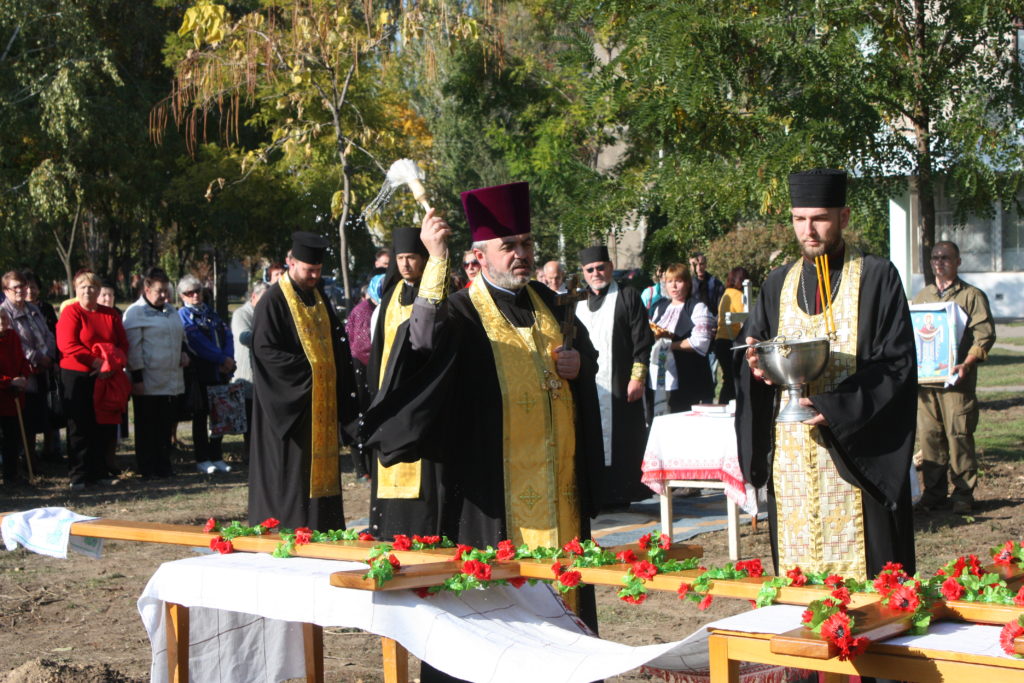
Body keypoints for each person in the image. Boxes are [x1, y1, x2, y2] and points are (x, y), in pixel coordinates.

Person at [362, 182, 605, 639]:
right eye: (508, 246)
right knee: (505, 628)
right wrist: (436, 260)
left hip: (561, 497)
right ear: (481, 254)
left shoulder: (551, 304)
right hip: (493, 500)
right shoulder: (460, 312)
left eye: (527, 244)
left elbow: (583, 356)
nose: (521, 254)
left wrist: (579, 364)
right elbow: (422, 343)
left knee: (566, 617)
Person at [735, 168, 917, 581]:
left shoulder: (877, 277)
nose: (809, 231)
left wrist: (836, 407)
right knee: (800, 575)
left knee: (874, 582)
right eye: (800, 219)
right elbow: (756, 349)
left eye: (819, 218)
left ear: (844, 217)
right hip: (794, 455)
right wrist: (757, 369)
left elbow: (897, 364)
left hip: (855, 449)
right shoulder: (778, 283)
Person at [248, 232, 359, 530]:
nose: (313, 276)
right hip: (290, 410)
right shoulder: (273, 301)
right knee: (291, 475)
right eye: (308, 270)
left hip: (318, 407)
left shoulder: (318, 296)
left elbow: (336, 346)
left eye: (318, 271)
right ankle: (288, 528)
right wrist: (315, 370)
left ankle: (324, 526)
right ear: (290, 262)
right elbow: (265, 352)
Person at [913, 240, 996, 514]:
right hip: (926, 383)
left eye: (946, 257)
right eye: (936, 257)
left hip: (956, 382)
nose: (940, 262)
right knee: (929, 438)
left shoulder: (971, 295)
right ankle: (934, 494)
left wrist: (967, 364)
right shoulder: (923, 296)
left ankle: (963, 494)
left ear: (958, 261)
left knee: (958, 435)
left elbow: (984, 335)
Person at [365, 227, 436, 538]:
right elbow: (377, 349)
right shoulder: (391, 295)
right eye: (401, 258)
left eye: (412, 258)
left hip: (420, 401)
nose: (406, 265)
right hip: (389, 399)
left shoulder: (434, 293)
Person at [576, 245, 654, 511]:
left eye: (600, 267)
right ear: (583, 273)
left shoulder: (628, 296)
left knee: (623, 440)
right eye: (590, 270)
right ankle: (594, 493)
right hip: (588, 386)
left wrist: (638, 378)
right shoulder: (576, 302)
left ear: (609, 267)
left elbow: (642, 340)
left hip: (621, 384)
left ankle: (621, 493)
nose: (596, 273)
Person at [56, 271, 130, 490]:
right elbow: (67, 344)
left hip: (107, 375)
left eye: (92, 287)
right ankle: (78, 475)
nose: (88, 291)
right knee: (79, 425)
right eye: (83, 287)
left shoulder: (110, 314)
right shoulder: (71, 312)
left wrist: (112, 365)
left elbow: (123, 344)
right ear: (75, 290)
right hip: (78, 375)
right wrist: (97, 362)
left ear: (99, 291)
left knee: (103, 424)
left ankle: (100, 472)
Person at [123, 268, 188, 478]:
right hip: (148, 381)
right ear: (147, 289)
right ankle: (148, 467)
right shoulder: (135, 312)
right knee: (147, 427)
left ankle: (164, 464)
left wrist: (184, 352)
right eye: (159, 291)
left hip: (171, 379)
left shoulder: (170, 310)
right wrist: (138, 378)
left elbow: (181, 335)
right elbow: (134, 348)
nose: (163, 295)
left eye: (166, 291)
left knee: (165, 426)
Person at [178, 274, 234, 475]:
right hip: (201, 372)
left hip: (221, 371)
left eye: (197, 291)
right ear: (182, 296)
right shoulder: (183, 315)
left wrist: (228, 358)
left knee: (220, 415)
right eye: (189, 293)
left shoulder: (211, 313)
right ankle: (202, 458)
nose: (195, 295)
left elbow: (227, 334)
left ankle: (217, 455)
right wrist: (221, 359)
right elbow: (197, 342)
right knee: (200, 416)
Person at [1, 271, 57, 463]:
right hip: (22, 373)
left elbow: (47, 333)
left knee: (37, 415)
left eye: (22, 286)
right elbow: (16, 341)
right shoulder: (4, 312)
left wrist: (49, 355)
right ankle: (24, 459)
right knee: (23, 419)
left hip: (42, 370)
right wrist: (37, 358)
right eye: (15, 287)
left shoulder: (32, 309)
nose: (20, 290)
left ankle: (33, 457)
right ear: (5, 290)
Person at [647, 263, 716, 414]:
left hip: (691, 378)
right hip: (663, 377)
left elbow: (700, 342)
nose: (674, 286)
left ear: (688, 283)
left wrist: (670, 345)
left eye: (678, 281)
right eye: (670, 281)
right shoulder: (660, 307)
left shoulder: (697, 307)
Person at [231, 281, 269, 463]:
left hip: (266, 376)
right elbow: (244, 336)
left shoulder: (268, 314)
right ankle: (249, 454)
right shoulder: (241, 314)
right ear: (254, 297)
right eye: (264, 299)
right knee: (249, 418)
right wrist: (270, 336)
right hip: (247, 375)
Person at [1, 307, 32, 486]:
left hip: (13, 397)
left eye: (4, 318)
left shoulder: (12, 336)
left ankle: (12, 474)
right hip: (4, 391)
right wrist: (8, 381)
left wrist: (22, 377)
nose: (2, 323)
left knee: (12, 436)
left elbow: (22, 360)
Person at [714, 266, 749, 404]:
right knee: (733, 379)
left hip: (720, 340)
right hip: (731, 341)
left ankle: (724, 404)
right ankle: (727, 405)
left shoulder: (726, 293)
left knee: (728, 378)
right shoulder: (739, 296)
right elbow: (746, 319)